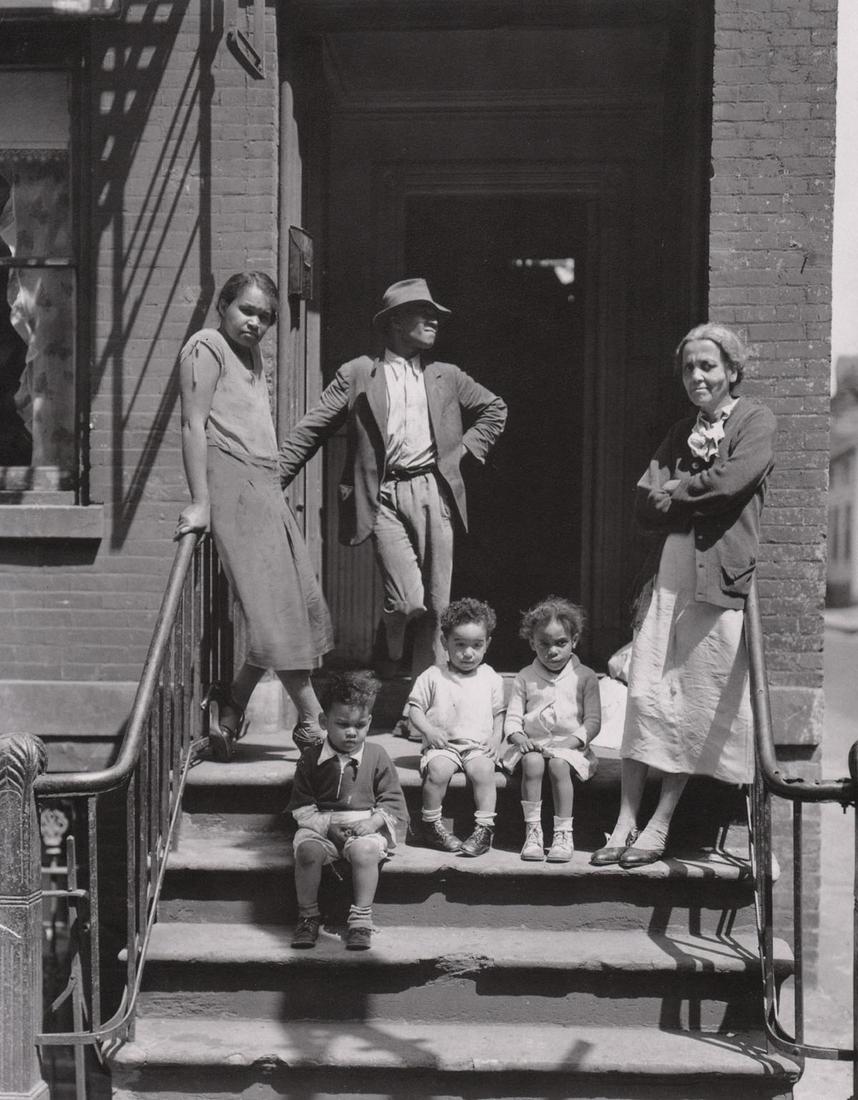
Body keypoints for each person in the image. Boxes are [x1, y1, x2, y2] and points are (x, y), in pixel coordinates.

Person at [278, 278, 507, 726]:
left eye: (435, 315)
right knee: (406, 602)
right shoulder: (358, 373)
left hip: (433, 490)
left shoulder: (446, 375)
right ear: (396, 322)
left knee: (437, 608)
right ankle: (387, 648)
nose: (433, 320)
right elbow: (312, 428)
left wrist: (461, 453)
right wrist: (273, 478)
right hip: (382, 495)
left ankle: (420, 712)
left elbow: (494, 408)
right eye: (423, 313)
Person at [591, 322, 776, 869]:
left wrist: (678, 491)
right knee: (646, 693)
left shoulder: (755, 420)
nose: (697, 376)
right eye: (689, 367)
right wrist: (683, 495)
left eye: (708, 366)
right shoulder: (680, 432)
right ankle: (624, 821)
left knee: (692, 700)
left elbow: (731, 483)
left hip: (718, 579)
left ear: (733, 371)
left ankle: (659, 823)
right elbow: (644, 504)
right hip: (669, 574)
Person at [175, 272, 334, 762]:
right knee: (273, 611)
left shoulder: (252, 353)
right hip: (231, 482)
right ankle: (313, 720)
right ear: (223, 305)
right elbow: (192, 425)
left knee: (294, 604)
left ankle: (232, 705)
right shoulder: (205, 346)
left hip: (264, 484)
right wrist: (201, 502)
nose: (255, 323)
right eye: (246, 310)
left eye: (265, 316)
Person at [288, 670, 408, 951]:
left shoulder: (377, 755)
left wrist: (373, 823)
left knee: (364, 852)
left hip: (363, 827)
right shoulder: (311, 759)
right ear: (324, 722)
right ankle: (308, 916)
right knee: (307, 852)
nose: (352, 732)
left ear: (369, 722)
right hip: (320, 826)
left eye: (360, 725)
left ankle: (361, 919)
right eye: (342, 724)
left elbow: (392, 800)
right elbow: (302, 805)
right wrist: (326, 827)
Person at [503, 597, 601, 863]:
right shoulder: (525, 676)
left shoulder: (585, 676)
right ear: (532, 643)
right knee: (533, 762)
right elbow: (513, 719)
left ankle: (563, 833)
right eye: (544, 644)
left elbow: (593, 721)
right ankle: (533, 832)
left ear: (574, 641)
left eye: (561, 643)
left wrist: (569, 743)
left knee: (558, 764)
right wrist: (520, 738)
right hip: (533, 745)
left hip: (570, 748)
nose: (552, 651)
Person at [409, 597, 505, 858]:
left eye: (477, 645)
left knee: (484, 771)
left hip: (477, 746)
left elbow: (499, 714)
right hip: (444, 746)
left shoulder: (490, 677)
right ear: (444, 642)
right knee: (438, 771)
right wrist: (429, 731)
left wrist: (496, 738)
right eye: (460, 644)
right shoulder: (433, 675)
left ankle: (484, 829)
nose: (468, 653)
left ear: (487, 644)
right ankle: (430, 824)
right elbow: (414, 709)